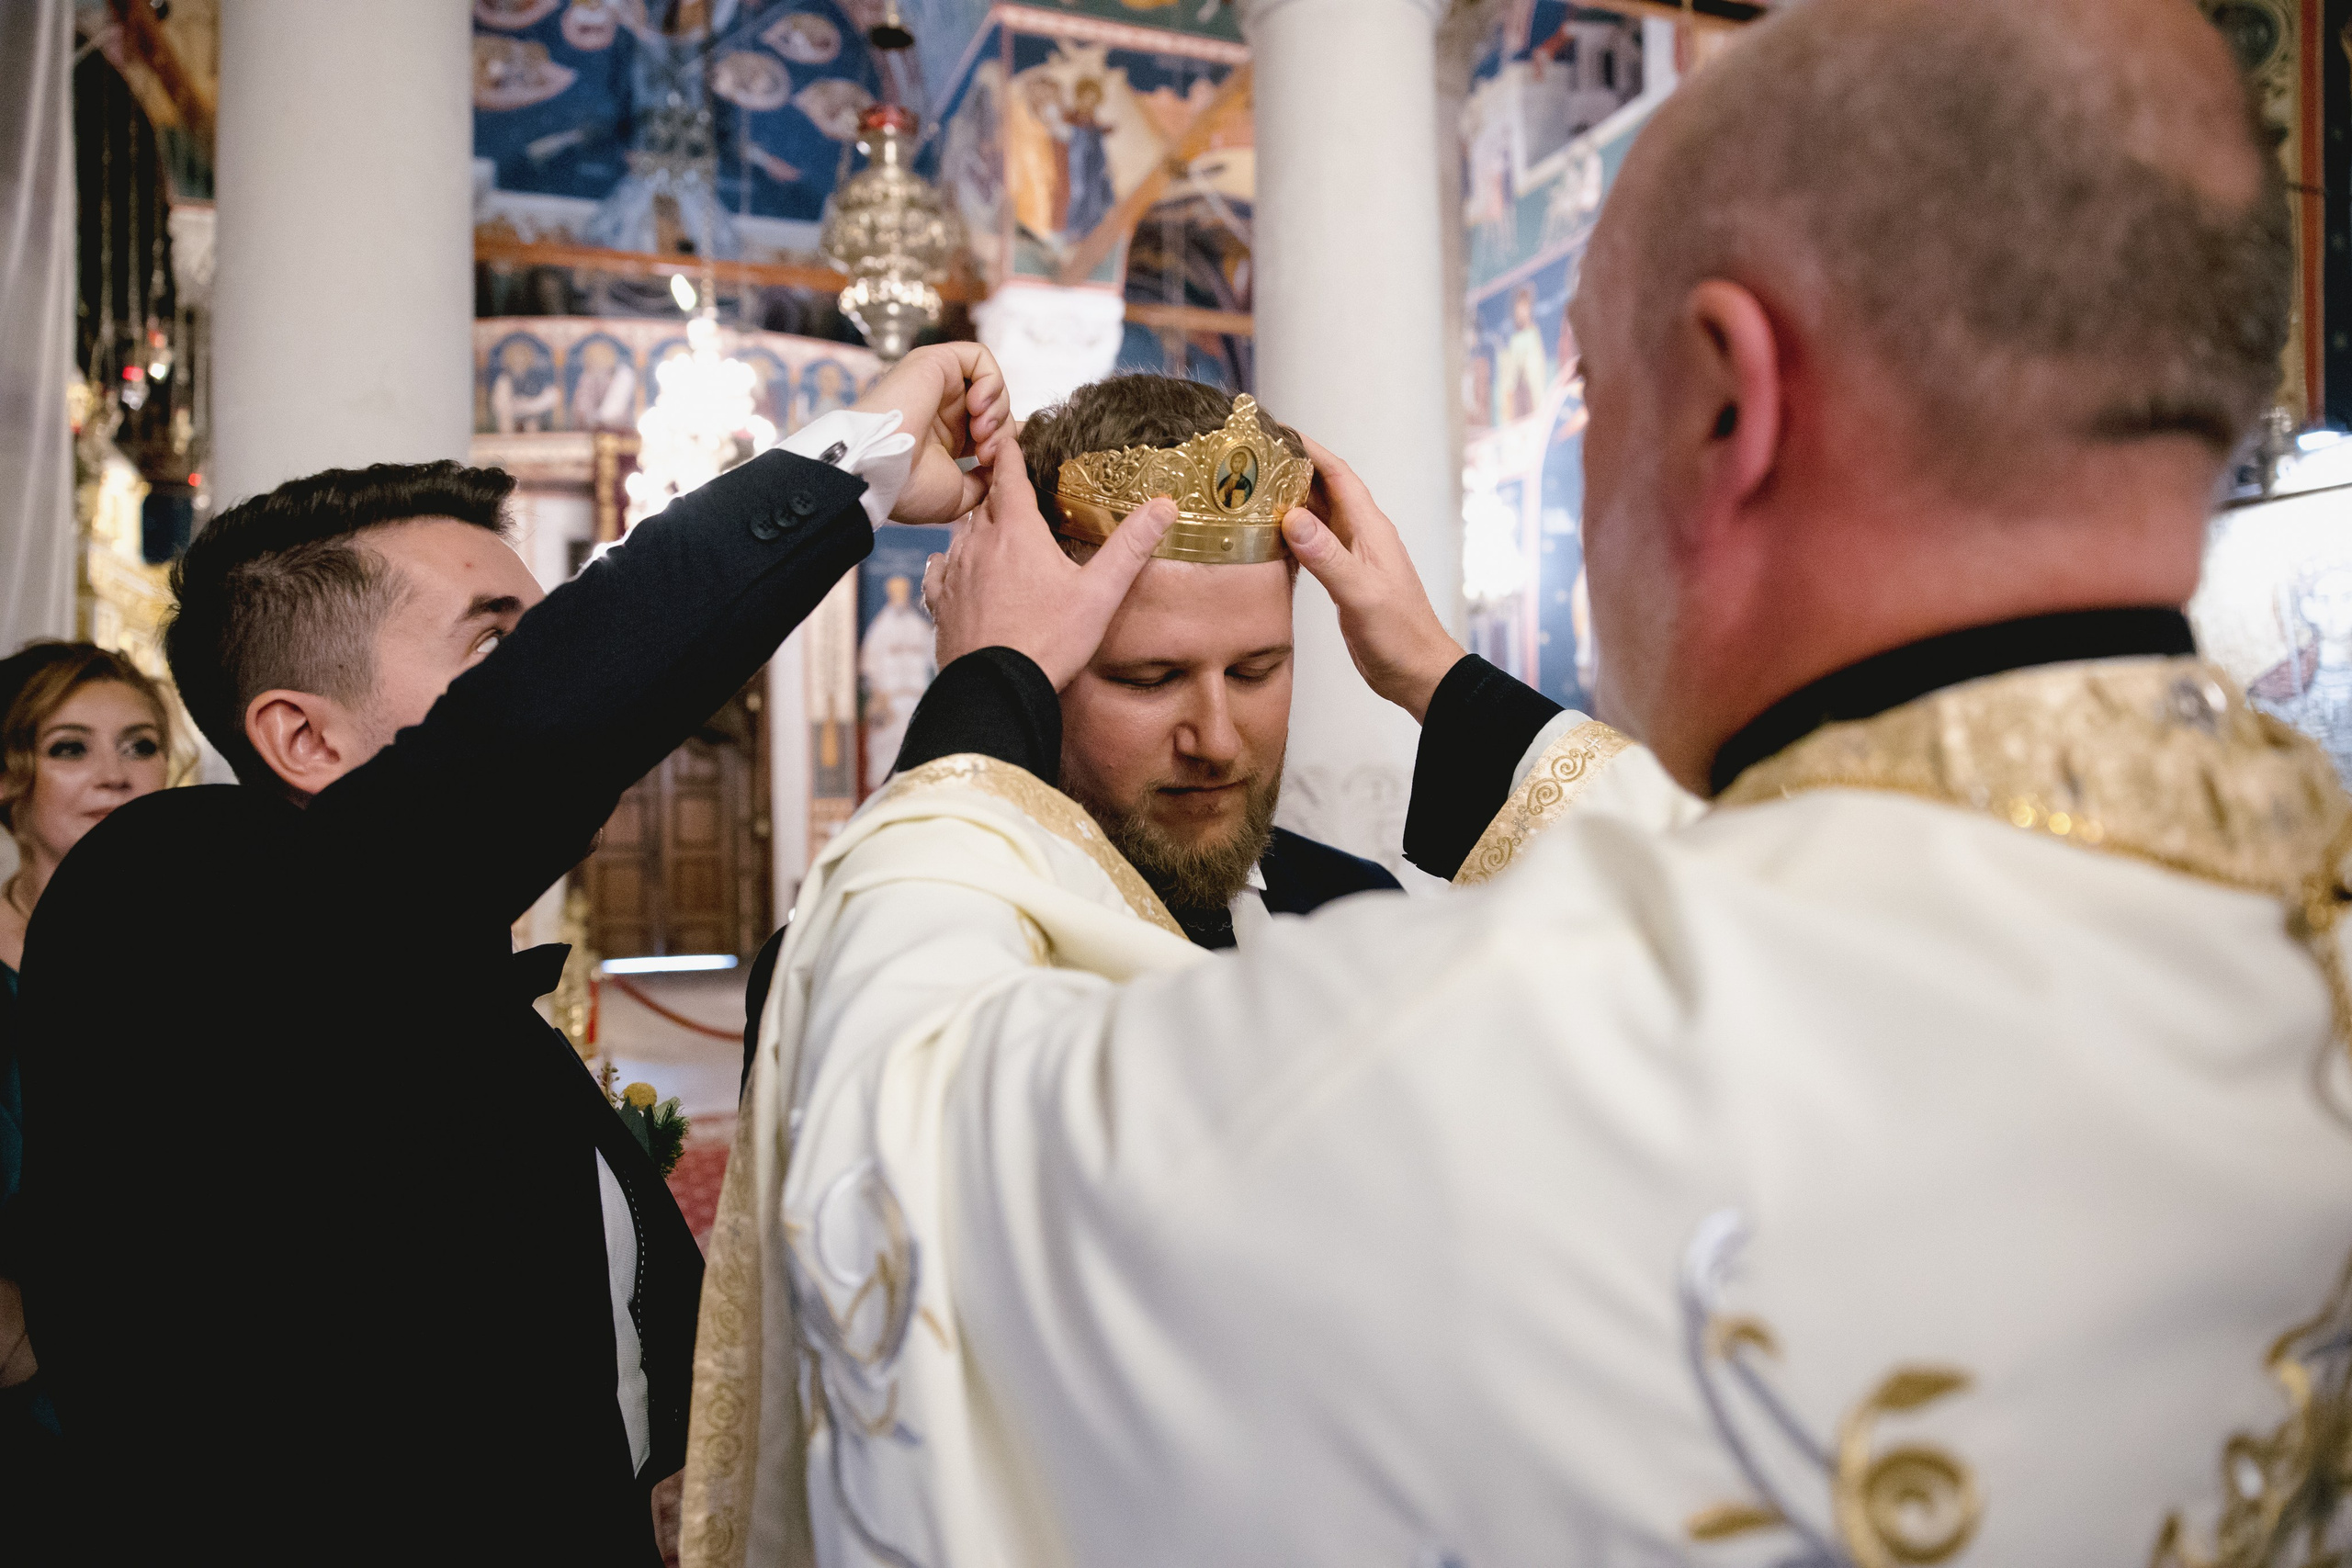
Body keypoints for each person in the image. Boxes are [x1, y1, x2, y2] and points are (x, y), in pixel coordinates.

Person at [684, 2, 2352, 1564]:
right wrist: (1443, 686)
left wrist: (984, 686)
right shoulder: (2289, 930)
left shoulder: (1499, 1049)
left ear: (1729, 402)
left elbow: (905, 1168)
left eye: (1590, 390)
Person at [17, 344, 1009, 1566]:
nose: (562, 682)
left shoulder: (460, 997)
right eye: (500, 647)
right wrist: (878, 485)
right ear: (300, 736)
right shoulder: (161, 896)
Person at [0, 644, 171, 1564]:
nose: (113, 775)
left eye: (138, 744)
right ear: (8, 776)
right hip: (40, 1415)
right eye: (71, 748)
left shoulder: (210, 948)